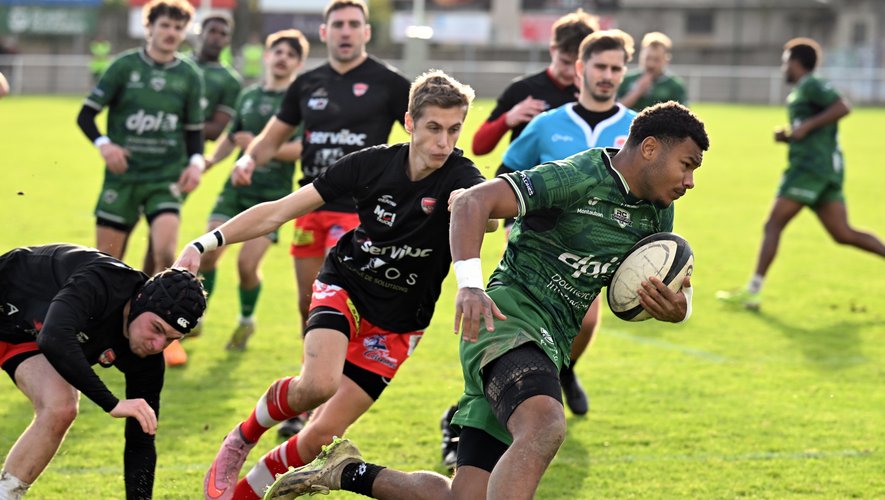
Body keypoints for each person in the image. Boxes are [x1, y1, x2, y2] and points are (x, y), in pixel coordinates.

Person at [262, 101, 709, 500]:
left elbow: (652, 285)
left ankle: (345, 471)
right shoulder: (579, 176)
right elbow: (472, 202)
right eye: (686, 165)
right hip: (505, 322)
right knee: (545, 424)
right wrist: (471, 285)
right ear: (650, 148)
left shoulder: (656, 210)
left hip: (549, 345)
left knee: (465, 496)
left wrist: (678, 308)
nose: (689, 182)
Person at [174, 70, 488, 500]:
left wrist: (471, 208)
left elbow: (491, 216)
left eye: (454, 130)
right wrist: (205, 242)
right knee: (317, 385)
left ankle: (242, 496)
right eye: (434, 128)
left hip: (399, 321)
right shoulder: (371, 164)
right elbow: (280, 210)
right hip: (346, 286)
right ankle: (242, 436)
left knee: (320, 436)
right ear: (409, 123)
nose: (443, 142)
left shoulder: (462, 176)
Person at [436, 29, 638, 468]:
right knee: (513, 339)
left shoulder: (637, 129)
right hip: (536, 259)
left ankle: (562, 372)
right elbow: (504, 175)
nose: (607, 75)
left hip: (595, 261)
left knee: (580, 327)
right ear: (581, 69)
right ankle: (469, 414)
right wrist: (511, 224)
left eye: (616, 68)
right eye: (600, 66)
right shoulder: (547, 124)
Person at [232, 0, 410, 438]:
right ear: (325, 32)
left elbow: (422, 132)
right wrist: (249, 159)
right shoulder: (306, 83)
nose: (346, 32)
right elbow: (272, 136)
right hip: (310, 206)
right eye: (338, 25)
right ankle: (308, 389)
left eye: (354, 24)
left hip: (360, 213)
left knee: (337, 306)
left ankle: (323, 407)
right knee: (307, 305)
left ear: (366, 32)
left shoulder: (390, 83)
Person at [0, 244, 205, 500]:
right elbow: (54, 337)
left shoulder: (148, 357)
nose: (157, 345)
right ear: (139, 302)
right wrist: (112, 403)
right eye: (156, 328)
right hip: (9, 304)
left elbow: (140, 441)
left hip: (25, 335)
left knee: (61, 407)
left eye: (171, 339)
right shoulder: (103, 281)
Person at [76, 0, 205, 366]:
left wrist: (196, 162)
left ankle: (163, 330)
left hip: (164, 178)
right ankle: (100, 331)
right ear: (149, 28)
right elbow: (86, 115)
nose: (171, 33)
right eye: (165, 25)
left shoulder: (189, 75)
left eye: (178, 28)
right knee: (106, 262)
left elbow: (194, 131)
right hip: (124, 179)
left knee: (166, 252)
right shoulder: (125, 67)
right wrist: (105, 145)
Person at [717, 37, 885, 310]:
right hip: (823, 169)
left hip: (810, 169)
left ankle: (753, 291)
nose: (783, 67)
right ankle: (753, 290)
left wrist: (806, 127)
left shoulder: (812, 84)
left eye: (785, 62)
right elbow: (809, 128)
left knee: (773, 224)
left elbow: (842, 107)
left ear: (796, 62)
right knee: (843, 233)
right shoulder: (802, 91)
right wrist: (789, 135)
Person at [196, 29, 308, 353]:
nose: (283, 58)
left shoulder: (298, 103)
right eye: (278, 52)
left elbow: (300, 149)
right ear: (267, 56)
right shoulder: (248, 96)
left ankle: (246, 320)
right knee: (208, 253)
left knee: (246, 265)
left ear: (298, 64)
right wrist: (209, 161)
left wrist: (257, 149)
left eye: (291, 54)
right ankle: (197, 315)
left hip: (272, 196)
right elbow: (232, 136)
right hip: (236, 189)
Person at [470, 9, 598, 158]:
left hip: (574, 172)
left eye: (578, 64)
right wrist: (507, 119)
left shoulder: (595, 95)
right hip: (526, 172)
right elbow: (478, 147)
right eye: (565, 62)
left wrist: (589, 105)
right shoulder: (523, 89)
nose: (570, 72)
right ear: (553, 50)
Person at [194, 12, 242, 142]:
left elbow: (216, 130)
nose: (217, 37)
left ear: (228, 40)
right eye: (212, 31)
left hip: (191, 149)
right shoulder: (179, 64)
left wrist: (175, 126)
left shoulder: (231, 80)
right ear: (200, 33)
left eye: (223, 34)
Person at [617, 32, 687, 112]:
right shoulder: (626, 79)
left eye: (656, 60)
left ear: (666, 60)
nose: (651, 64)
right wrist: (637, 92)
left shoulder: (675, 85)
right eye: (648, 58)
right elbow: (615, 111)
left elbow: (682, 115)